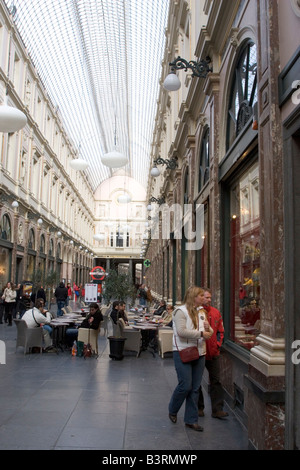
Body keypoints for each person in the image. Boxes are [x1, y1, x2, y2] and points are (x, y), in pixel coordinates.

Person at [168, 286, 213, 432]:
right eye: (201, 296)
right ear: (194, 297)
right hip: (183, 351)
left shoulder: (202, 312)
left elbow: (209, 332)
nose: (204, 298)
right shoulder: (180, 312)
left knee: (195, 388)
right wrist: (201, 334)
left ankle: (191, 420)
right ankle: (173, 409)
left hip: (200, 352)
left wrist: (208, 328)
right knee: (185, 385)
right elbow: (181, 332)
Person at [198, 288, 229, 419]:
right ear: (200, 297)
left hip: (213, 352)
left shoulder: (216, 313)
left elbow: (220, 331)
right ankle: (199, 408)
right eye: (206, 297)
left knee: (216, 381)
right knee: (197, 382)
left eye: (210, 297)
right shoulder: (197, 312)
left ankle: (217, 409)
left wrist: (217, 344)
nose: (209, 300)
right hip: (200, 352)